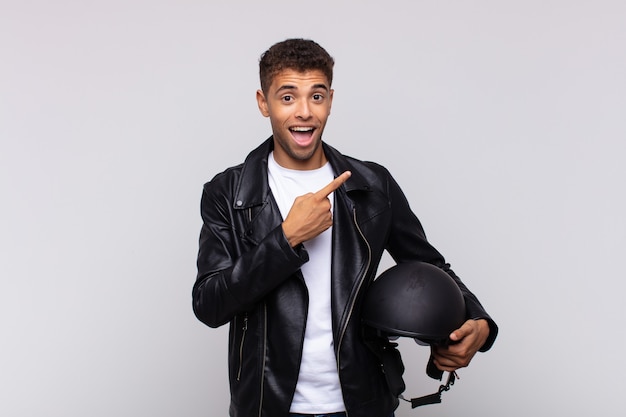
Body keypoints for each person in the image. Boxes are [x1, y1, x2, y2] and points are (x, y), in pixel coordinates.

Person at [193, 38, 498, 417]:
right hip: (266, 404)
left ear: (331, 101)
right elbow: (209, 304)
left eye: (316, 96)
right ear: (263, 102)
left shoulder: (372, 185)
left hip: (361, 402)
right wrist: (287, 239)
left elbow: (430, 266)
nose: (304, 112)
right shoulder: (229, 192)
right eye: (288, 97)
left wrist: (478, 320)